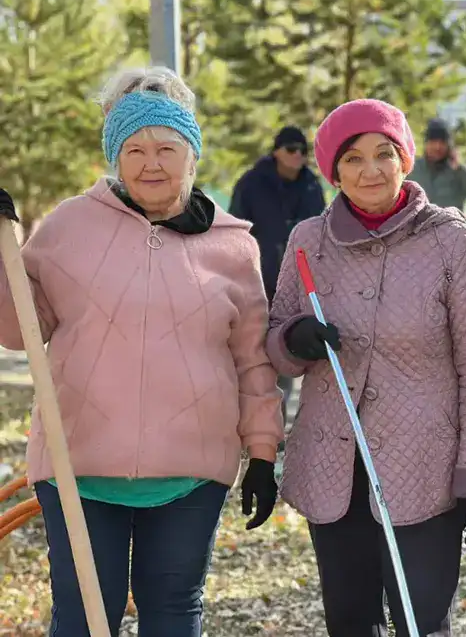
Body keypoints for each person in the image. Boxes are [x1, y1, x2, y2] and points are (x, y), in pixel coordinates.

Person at [0, 66, 284, 637]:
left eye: (166, 148)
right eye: (134, 149)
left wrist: (262, 453)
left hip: (190, 472)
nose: (151, 163)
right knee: (83, 619)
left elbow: (253, 362)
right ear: (115, 156)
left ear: (192, 153)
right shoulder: (67, 227)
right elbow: (18, 329)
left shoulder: (232, 245)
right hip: (79, 464)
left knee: (174, 613)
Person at [266, 98, 466, 637]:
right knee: (349, 622)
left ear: (406, 160)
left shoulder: (449, 239)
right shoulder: (308, 240)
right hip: (333, 467)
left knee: (422, 623)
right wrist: (295, 339)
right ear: (333, 170)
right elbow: (275, 338)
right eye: (352, 158)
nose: (370, 170)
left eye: (384, 154)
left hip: (424, 468)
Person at [229, 125, 326, 423]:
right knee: (258, 354)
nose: (297, 156)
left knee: (294, 350)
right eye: (291, 150)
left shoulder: (311, 186)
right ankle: (261, 423)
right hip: (259, 281)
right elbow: (235, 231)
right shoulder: (252, 183)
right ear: (276, 151)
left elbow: (322, 230)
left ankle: (288, 426)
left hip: (302, 282)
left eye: (302, 151)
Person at [407, 117, 466, 216]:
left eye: (442, 142)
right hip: (419, 229)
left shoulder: (458, 170)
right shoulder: (412, 168)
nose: (438, 147)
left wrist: (459, 170)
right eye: (433, 141)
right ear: (426, 143)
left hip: (453, 229)